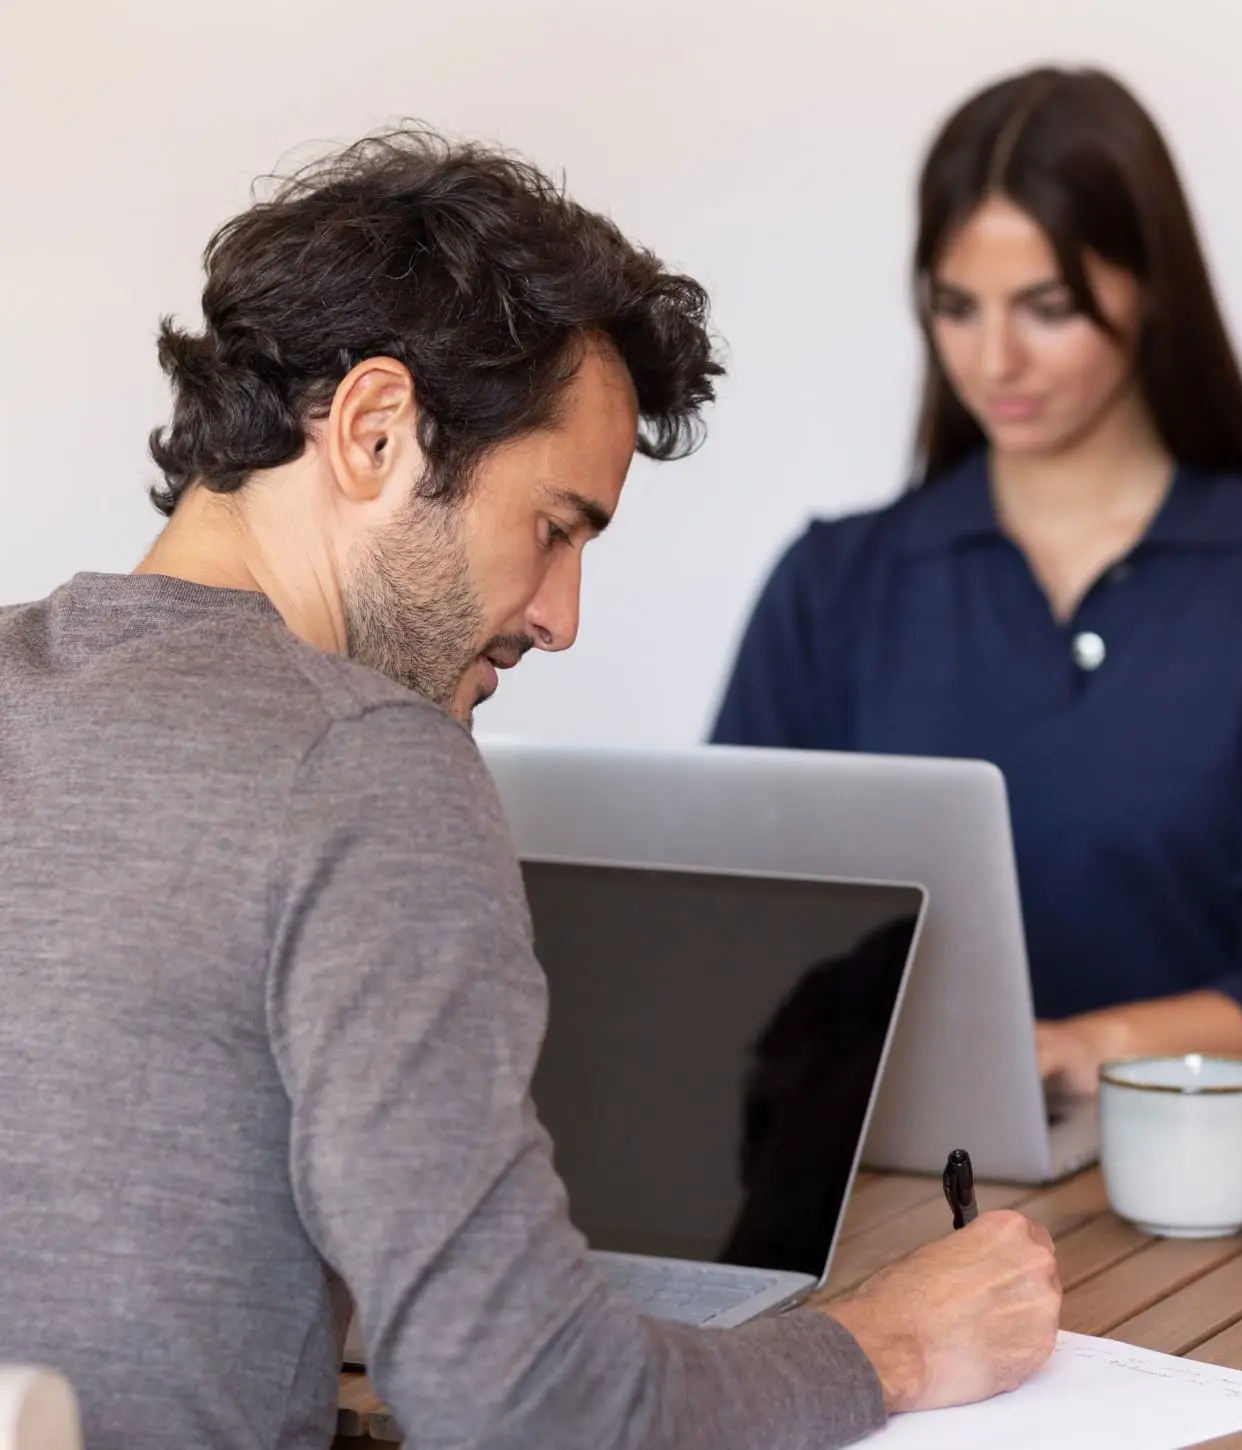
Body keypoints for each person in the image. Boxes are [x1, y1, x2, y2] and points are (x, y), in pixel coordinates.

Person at [0, 129, 1058, 1450]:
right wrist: (889, 1342)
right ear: (375, 430)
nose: (560, 618)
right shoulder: (369, 763)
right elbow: (533, 1406)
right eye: (555, 528)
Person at [713, 66, 1242, 1098]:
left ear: (1149, 287)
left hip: (1203, 1178)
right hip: (886, 1184)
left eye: (1046, 307)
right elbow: (729, 919)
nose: (994, 359)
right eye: (955, 307)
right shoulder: (836, 584)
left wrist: (1085, 1047)